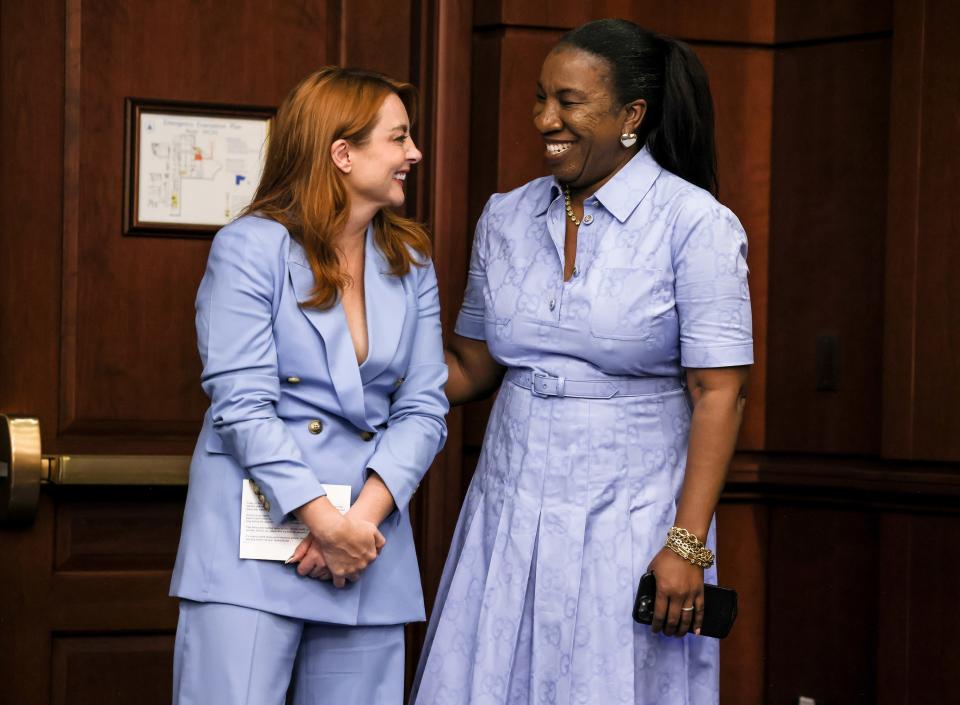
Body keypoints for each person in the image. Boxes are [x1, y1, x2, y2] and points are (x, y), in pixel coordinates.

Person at [411, 18, 752, 705]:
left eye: (568, 101)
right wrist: (351, 365)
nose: (545, 119)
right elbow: (472, 368)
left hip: (632, 515)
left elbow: (720, 393)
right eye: (540, 98)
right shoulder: (504, 216)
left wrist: (686, 546)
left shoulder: (696, 222)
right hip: (507, 506)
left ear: (632, 116)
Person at [169, 67, 448, 705]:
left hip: (365, 548)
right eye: (398, 138)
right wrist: (321, 522)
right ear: (342, 153)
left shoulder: (411, 260)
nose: (414, 154)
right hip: (255, 540)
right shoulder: (249, 248)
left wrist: (357, 526)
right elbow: (242, 404)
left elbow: (425, 407)